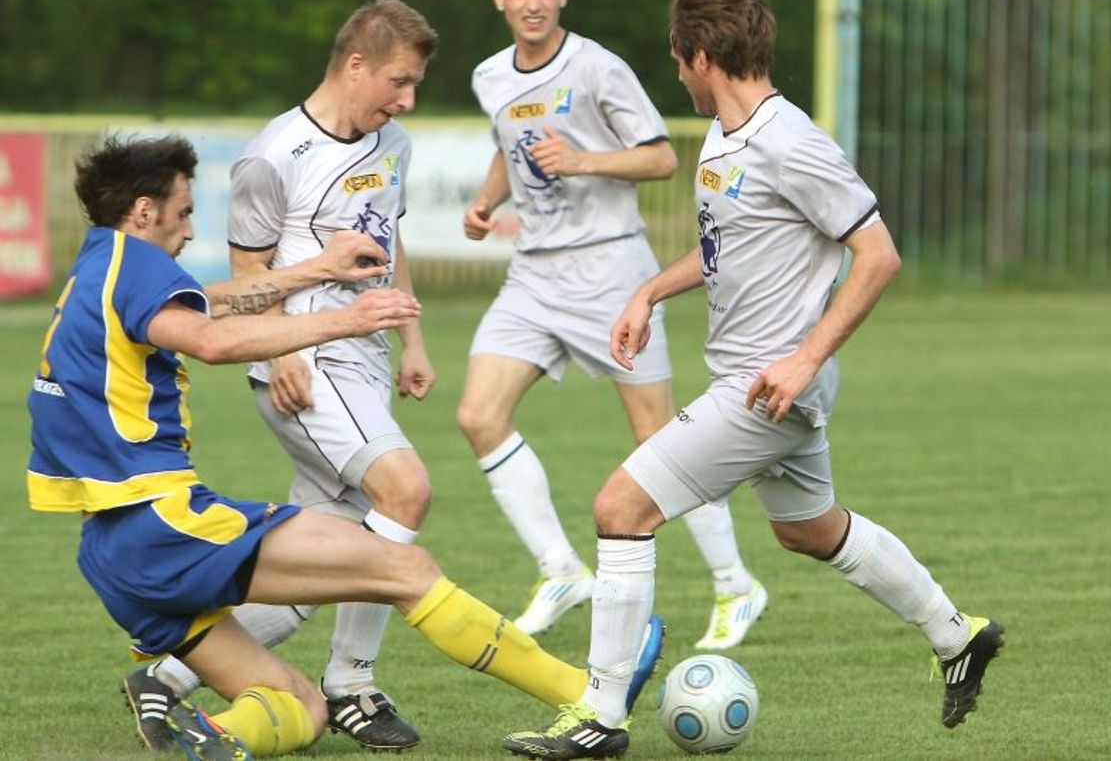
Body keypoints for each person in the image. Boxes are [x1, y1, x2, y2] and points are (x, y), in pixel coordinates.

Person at [28, 134, 663, 761]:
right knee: (405, 569)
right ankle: (592, 699)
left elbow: (204, 304)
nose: (190, 231)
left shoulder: (98, 265)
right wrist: (346, 318)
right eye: (185, 212)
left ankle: (215, 740)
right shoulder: (137, 263)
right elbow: (210, 339)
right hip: (160, 520)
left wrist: (316, 270)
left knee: (299, 709)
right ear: (144, 211)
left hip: (112, 549)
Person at [503, 0, 1005, 759]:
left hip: (769, 386)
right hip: (761, 381)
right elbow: (722, 252)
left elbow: (877, 255)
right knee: (810, 530)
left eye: (676, 59)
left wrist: (804, 360)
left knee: (619, 507)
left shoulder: (790, 141)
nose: (675, 72)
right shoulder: (724, 139)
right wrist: (649, 293)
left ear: (699, 55)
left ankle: (599, 715)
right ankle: (959, 634)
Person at [124, 0, 442, 754]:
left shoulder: (392, 142)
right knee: (405, 490)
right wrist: (280, 352)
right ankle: (353, 683)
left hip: (362, 358)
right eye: (398, 81)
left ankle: (165, 672)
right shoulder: (275, 154)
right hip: (304, 363)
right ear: (355, 64)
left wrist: (413, 339)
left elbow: (388, 237)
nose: (406, 99)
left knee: (321, 555)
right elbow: (246, 273)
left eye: (414, 86)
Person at [457, 0, 766, 648]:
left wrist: (584, 159)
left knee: (658, 438)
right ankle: (561, 567)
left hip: (609, 269)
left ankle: (736, 584)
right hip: (534, 272)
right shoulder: (489, 76)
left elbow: (660, 158)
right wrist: (486, 199)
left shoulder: (597, 68)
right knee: (478, 414)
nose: (533, 5)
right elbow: (513, 148)